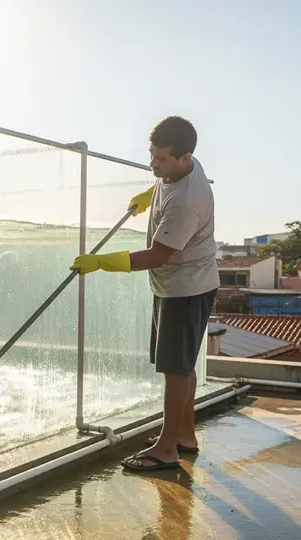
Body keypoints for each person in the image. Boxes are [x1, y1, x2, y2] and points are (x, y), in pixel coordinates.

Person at [69, 116, 218, 472]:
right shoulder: (180, 170)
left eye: (161, 159)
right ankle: (184, 436)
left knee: (175, 369)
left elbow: (157, 255)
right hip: (174, 285)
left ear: (184, 157)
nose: (153, 164)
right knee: (180, 366)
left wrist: (102, 262)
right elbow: (166, 182)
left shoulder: (188, 201)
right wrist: (149, 195)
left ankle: (167, 449)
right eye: (151, 155)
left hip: (186, 289)